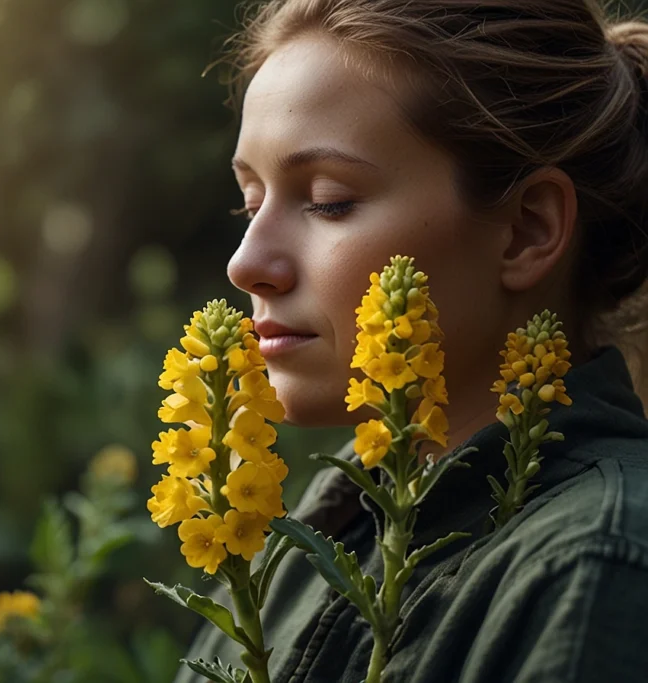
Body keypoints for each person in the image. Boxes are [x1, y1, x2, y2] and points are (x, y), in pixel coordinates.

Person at [175, 1, 648, 681]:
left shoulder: (596, 570)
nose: (246, 263)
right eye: (250, 203)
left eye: (329, 199)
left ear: (527, 230)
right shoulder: (311, 541)